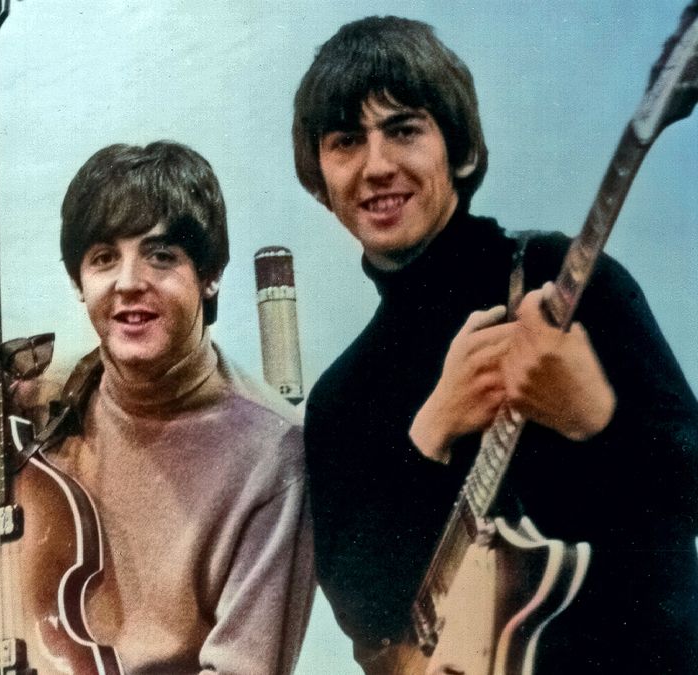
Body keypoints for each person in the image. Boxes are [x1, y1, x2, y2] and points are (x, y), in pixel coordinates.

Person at [293, 16, 698, 673]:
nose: (377, 166)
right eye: (345, 142)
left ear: (459, 149)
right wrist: (432, 428)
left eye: (404, 129)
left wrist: (594, 417)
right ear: (321, 179)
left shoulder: (569, 281)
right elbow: (363, 614)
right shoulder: (341, 399)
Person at [40, 141, 314, 672]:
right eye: (103, 259)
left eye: (161, 256)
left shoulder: (273, 455)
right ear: (79, 282)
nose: (128, 283)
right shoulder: (47, 400)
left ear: (210, 275)